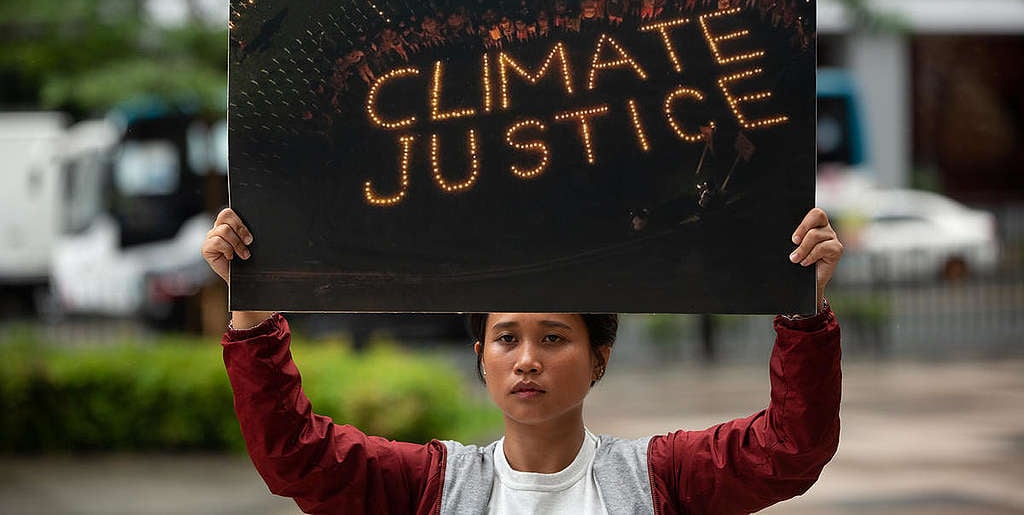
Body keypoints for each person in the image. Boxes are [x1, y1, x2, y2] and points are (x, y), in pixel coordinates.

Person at [204, 207, 843, 514]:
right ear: (480, 355)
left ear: (600, 357)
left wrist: (805, 310)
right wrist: (252, 313)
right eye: (506, 338)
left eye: (555, 338)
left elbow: (790, 449)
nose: (527, 359)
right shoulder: (429, 485)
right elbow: (296, 457)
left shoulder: (661, 479)